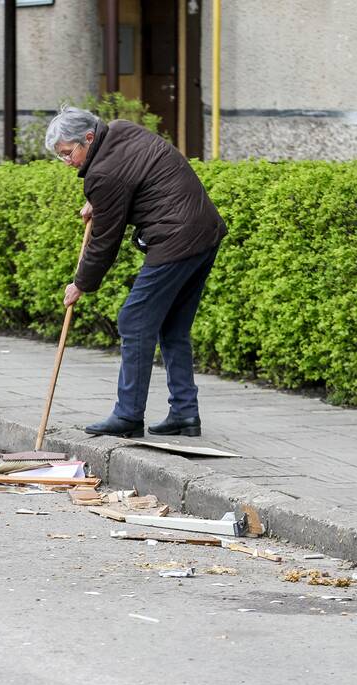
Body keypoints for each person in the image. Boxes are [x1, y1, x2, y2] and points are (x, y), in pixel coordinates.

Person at [44, 106, 227, 438]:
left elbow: (105, 241)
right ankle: (185, 415)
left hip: (176, 237)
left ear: (88, 138)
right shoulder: (121, 130)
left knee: (133, 319)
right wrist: (100, 202)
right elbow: (131, 179)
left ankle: (128, 416)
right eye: (61, 157)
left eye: (69, 153)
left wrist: (80, 284)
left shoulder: (102, 174)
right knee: (172, 327)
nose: (67, 162)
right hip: (204, 231)